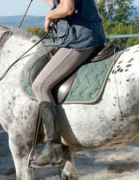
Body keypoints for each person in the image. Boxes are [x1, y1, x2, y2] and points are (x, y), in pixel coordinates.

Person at [30, 0, 105, 168]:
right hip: (85, 34)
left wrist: (50, 15)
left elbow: (67, 8)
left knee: (40, 85)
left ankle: (54, 148)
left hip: (79, 40)